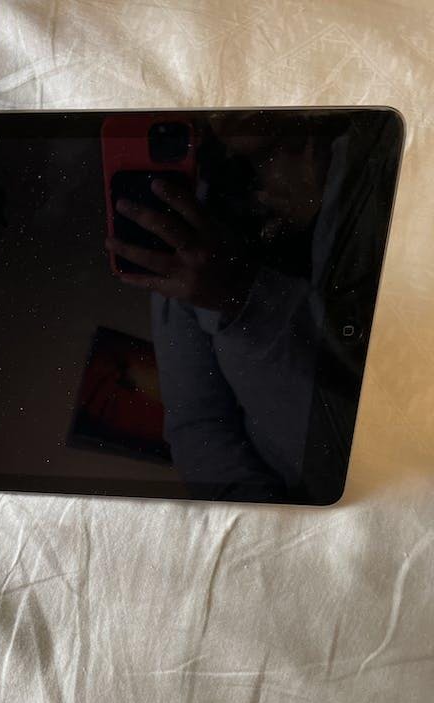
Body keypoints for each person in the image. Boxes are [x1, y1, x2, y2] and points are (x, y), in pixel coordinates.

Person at [105, 118, 349, 500]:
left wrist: (242, 294)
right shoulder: (187, 248)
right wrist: (271, 521)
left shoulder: (376, 153)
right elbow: (197, 427)